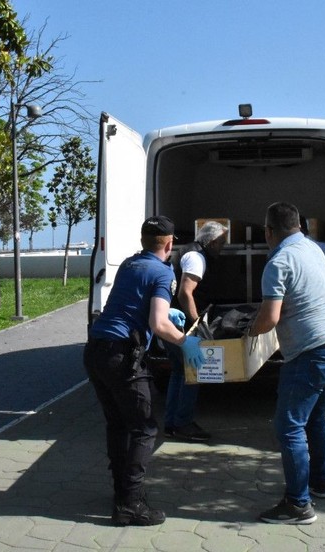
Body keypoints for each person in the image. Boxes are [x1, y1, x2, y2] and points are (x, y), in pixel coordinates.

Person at [83, 215, 205, 527]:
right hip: (121, 354)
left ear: (142, 241)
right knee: (144, 428)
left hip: (96, 349)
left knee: (118, 424)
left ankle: (121, 492)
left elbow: (133, 303)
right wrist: (185, 342)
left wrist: (165, 309)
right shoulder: (162, 272)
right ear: (170, 243)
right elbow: (158, 324)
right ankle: (130, 504)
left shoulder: (129, 264)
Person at [248, 202, 325, 525]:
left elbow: (269, 318)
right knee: (316, 419)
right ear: (299, 226)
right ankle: (320, 483)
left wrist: (247, 332)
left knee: (288, 427)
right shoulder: (315, 250)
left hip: (310, 355)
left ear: (268, 232)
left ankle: (297, 505)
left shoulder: (278, 260)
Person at [163, 220, 228, 442]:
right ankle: (183, 423)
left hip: (173, 323)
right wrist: (197, 323)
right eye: (221, 242)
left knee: (179, 372)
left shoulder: (194, 254)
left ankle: (171, 423)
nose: (223, 246)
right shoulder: (196, 258)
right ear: (209, 242)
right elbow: (185, 294)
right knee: (193, 373)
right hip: (182, 326)